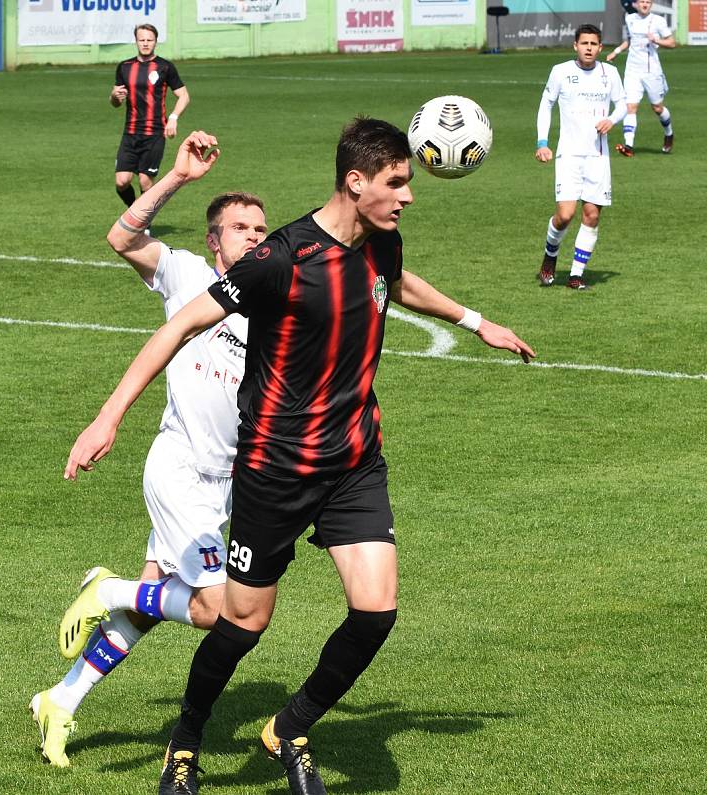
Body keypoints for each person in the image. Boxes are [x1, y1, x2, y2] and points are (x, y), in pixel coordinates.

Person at [63, 118, 536, 795]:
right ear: (355, 180)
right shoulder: (281, 257)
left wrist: (475, 321)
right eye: (396, 183)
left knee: (376, 611)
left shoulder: (382, 242)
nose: (408, 195)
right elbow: (181, 322)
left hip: (353, 461)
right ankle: (186, 741)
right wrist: (107, 416)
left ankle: (289, 726)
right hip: (275, 469)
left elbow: (395, 281)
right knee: (243, 621)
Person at [29, 131, 267, 768]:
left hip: (227, 485)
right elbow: (122, 239)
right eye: (241, 227)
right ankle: (104, 590)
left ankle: (60, 699)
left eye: (261, 228)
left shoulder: (268, 301)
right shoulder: (188, 272)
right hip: (179, 468)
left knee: (156, 602)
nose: (254, 236)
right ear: (215, 240)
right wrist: (178, 179)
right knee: (220, 609)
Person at [536, 24, 627, 291]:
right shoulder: (561, 72)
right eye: (584, 43)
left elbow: (623, 103)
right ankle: (550, 254)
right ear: (575, 45)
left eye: (594, 44)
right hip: (569, 155)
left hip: (598, 157)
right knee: (565, 215)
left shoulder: (609, 73)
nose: (589, 48)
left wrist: (612, 119)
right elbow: (546, 105)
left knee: (591, 215)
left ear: (601, 48)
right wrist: (543, 142)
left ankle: (576, 274)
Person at [111, 24, 190, 212]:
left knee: (146, 182)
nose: (145, 44)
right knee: (122, 181)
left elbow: (184, 95)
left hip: (154, 133)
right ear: (136, 41)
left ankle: (143, 223)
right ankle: (134, 212)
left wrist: (173, 118)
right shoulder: (125, 67)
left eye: (149, 40)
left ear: (155, 41)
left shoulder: (165, 67)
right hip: (130, 132)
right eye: (142, 40)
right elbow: (116, 101)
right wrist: (114, 97)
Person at [606, 0, 676, 156]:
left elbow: (672, 43)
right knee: (630, 107)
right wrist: (616, 52)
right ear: (636, 4)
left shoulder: (658, 21)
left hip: (652, 72)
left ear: (651, 4)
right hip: (632, 71)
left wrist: (656, 40)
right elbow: (630, 40)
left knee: (657, 108)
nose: (645, 4)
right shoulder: (629, 18)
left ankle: (669, 134)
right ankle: (628, 146)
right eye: (642, 1)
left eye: (648, 2)